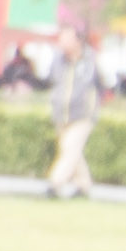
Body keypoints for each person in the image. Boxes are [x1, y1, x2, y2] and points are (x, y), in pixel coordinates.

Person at [47, 20, 104, 195]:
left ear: (77, 41)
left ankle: (55, 183)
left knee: (71, 146)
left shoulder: (90, 61)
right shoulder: (58, 60)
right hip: (62, 113)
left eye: (66, 38)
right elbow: (52, 82)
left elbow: (100, 85)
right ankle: (83, 186)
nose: (62, 42)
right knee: (71, 150)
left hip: (83, 114)